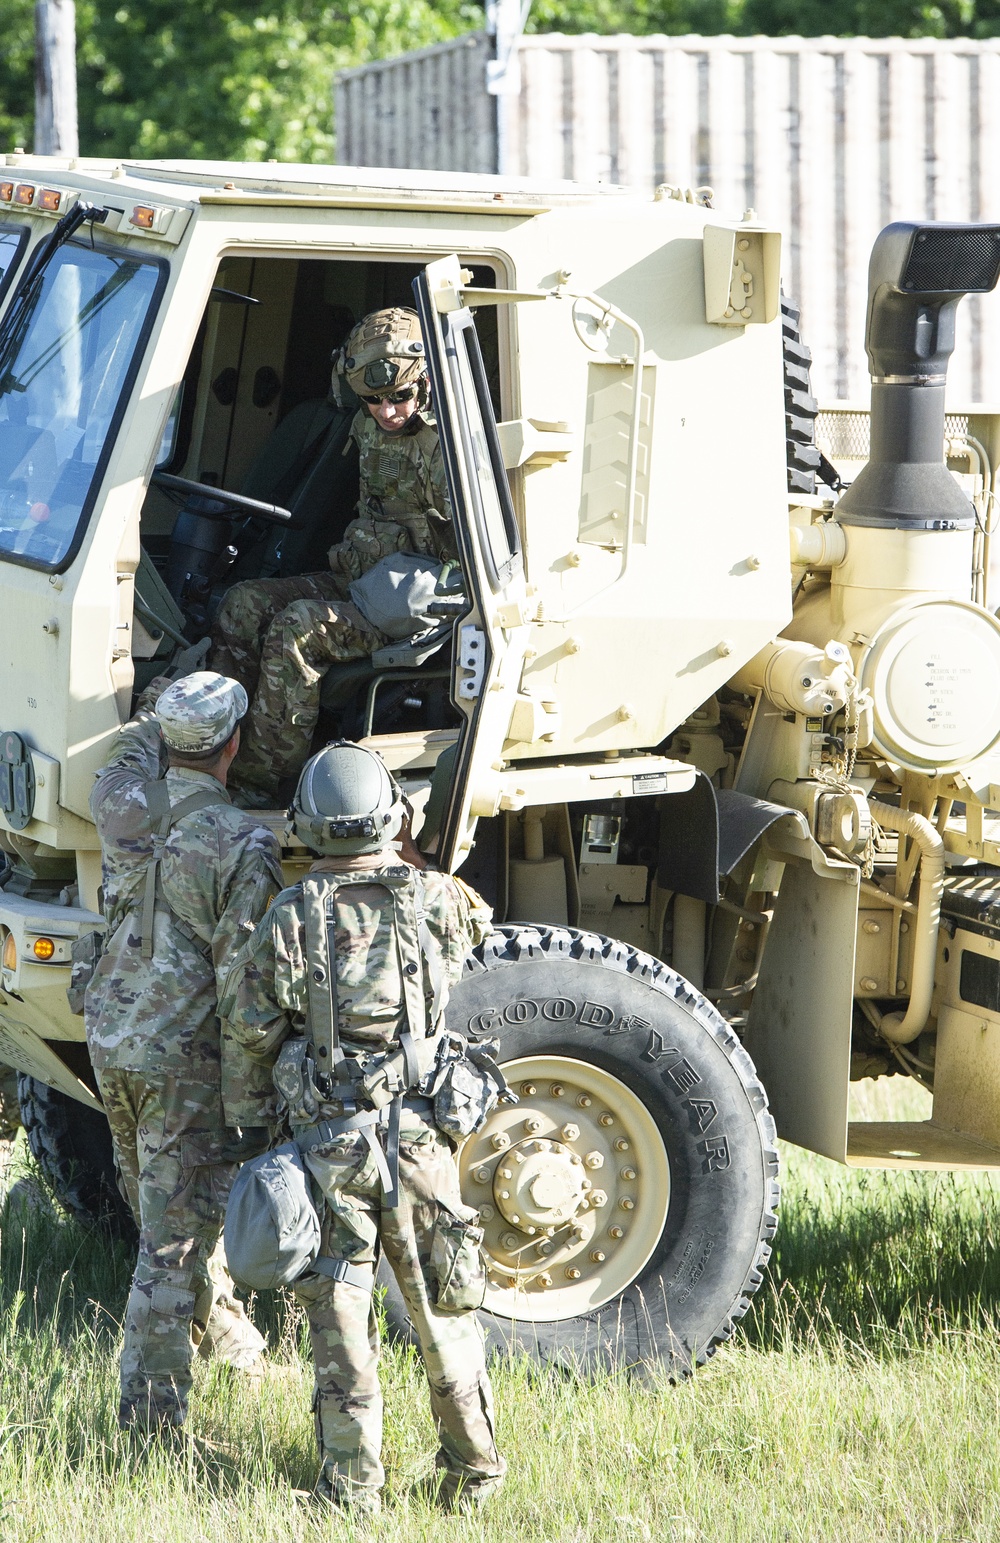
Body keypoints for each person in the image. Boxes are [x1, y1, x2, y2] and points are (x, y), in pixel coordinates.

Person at [220, 741, 505, 1515]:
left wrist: (254, 1115)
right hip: (421, 1140)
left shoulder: (288, 915)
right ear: (392, 815)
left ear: (306, 826)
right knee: (442, 1304)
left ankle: (351, 1491)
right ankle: (473, 1471)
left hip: (330, 1146)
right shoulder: (440, 898)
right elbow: (475, 931)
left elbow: (248, 1025)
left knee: (342, 1311)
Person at [84, 670, 285, 1432]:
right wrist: (250, 1101)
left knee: (162, 1213)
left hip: (113, 1042)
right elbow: (243, 988)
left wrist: (153, 713)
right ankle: (150, 1424)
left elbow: (124, 756)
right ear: (236, 744)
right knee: (169, 1245)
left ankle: (229, 1338)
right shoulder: (244, 844)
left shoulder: (122, 805)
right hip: (182, 1062)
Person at [211, 306, 457, 800]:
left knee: (300, 626)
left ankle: (261, 781)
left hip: (416, 607)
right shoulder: (366, 429)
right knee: (243, 603)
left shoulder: (448, 448)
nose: (387, 411)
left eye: (400, 397)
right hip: (360, 581)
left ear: (426, 382)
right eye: (373, 400)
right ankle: (215, 746)